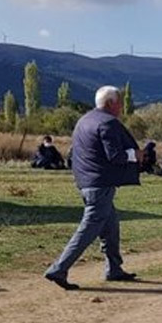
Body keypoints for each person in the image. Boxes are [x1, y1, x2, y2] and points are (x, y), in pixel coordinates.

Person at [43, 85, 141, 290]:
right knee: (89, 228)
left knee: (111, 226)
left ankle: (114, 268)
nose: (121, 108)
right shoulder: (108, 123)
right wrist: (134, 156)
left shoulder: (84, 121)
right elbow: (114, 155)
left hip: (86, 182)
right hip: (100, 184)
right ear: (111, 103)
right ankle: (59, 268)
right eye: (120, 103)